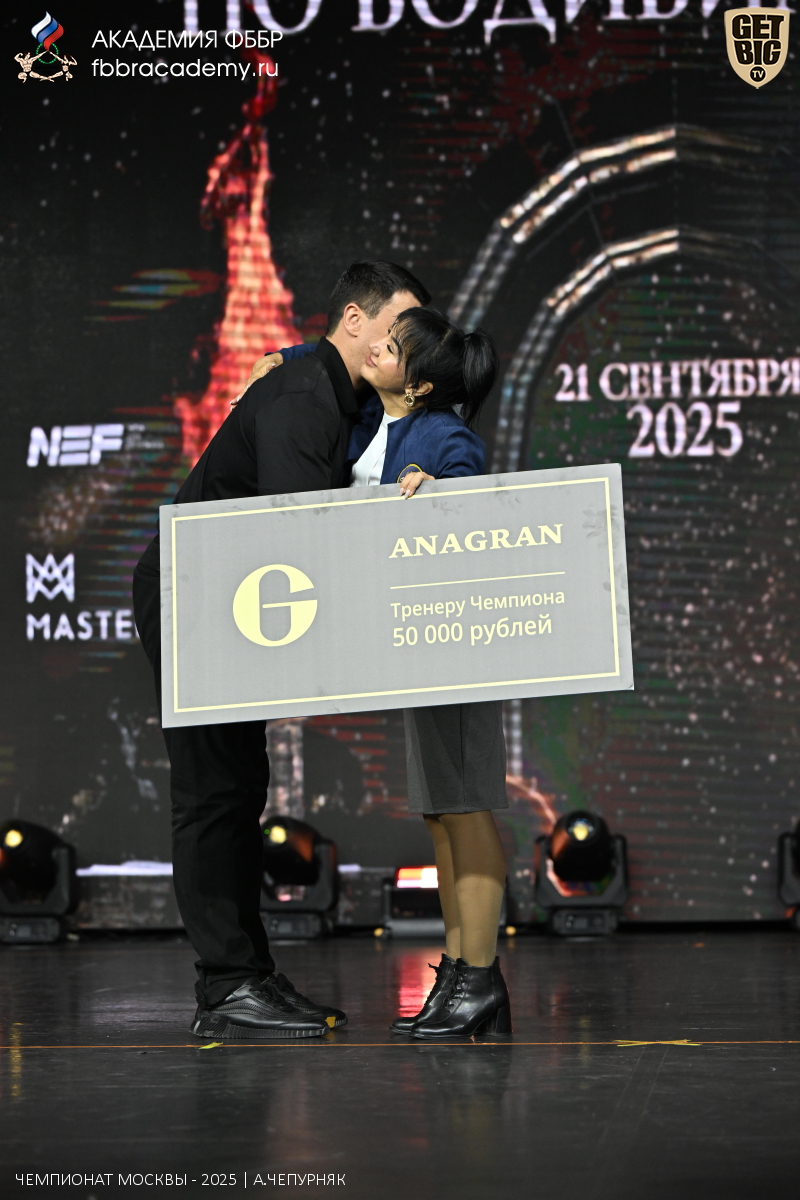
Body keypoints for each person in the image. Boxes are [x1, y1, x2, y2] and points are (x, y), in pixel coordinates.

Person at [132, 261, 431, 1040]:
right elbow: (299, 532)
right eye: (397, 326)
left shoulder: (328, 391)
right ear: (355, 320)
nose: (406, 343)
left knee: (239, 787)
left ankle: (243, 974)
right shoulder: (304, 398)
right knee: (214, 791)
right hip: (195, 593)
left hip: (224, 596)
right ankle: (227, 982)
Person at [277, 308, 512, 1039]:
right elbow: (324, 360)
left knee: (466, 805)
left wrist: (435, 487)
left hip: (457, 650)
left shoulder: (442, 435)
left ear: (420, 384)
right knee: (441, 812)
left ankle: (479, 978)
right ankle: (461, 974)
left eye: (394, 345)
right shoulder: (366, 424)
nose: (376, 345)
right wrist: (281, 357)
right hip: (413, 651)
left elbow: (470, 504)